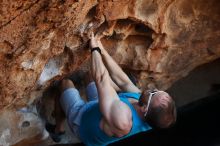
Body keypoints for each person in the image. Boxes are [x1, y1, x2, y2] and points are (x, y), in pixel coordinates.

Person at [46, 32, 177, 146]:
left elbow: (102, 79)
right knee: (90, 75)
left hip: (82, 122)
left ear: (144, 109)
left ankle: (59, 129)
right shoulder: (147, 107)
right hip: (102, 109)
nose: (152, 89)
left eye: (153, 94)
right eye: (158, 90)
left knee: (64, 84)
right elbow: (122, 80)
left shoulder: (123, 120)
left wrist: (94, 49)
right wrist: (101, 49)